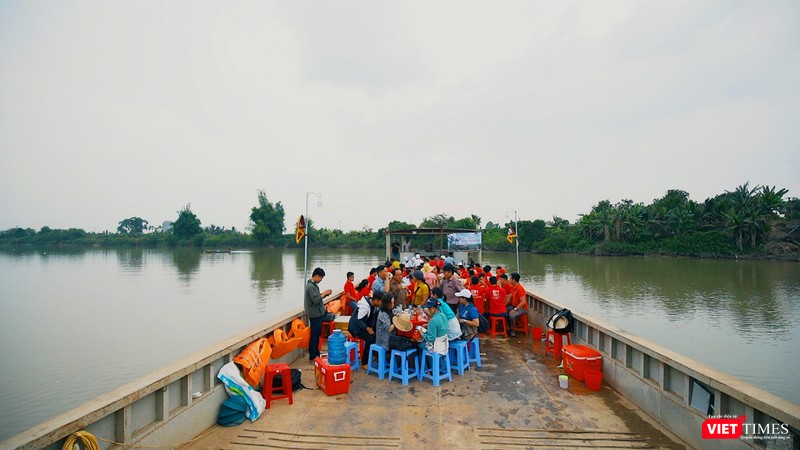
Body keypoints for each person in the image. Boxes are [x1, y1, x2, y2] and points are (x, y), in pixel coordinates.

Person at [304, 267, 333, 361]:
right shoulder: (310, 287)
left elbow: (317, 297)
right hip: (314, 315)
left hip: (318, 314)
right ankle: (312, 355)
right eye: (320, 278)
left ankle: (316, 352)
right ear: (316, 276)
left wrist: (324, 294)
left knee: (317, 334)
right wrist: (324, 293)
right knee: (314, 335)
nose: (321, 280)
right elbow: (316, 300)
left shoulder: (314, 286)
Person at [348, 293, 382, 367]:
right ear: (376, 300)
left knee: (375, 335)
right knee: (369, 339)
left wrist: (371, 326)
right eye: (380, 302)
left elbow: (372, 317)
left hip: (363, 325)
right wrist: (367, 329)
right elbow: (358, 320)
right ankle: (364, 362)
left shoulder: (373, 306)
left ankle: (371, 354)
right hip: (355, 327)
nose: (381, 304)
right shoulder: (364, 308)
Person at [506, 273, 528, 337]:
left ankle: (512, 330)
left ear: (514, 280)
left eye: (510, 279)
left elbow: (523, 302)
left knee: (512, 315)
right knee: (505, 311)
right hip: (514, 306)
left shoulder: (520, 288)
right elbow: (510, 297)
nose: (509, 280)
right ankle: (509, 327)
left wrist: (515, 309)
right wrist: (504, 306)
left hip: (522, 308)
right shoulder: (513, 287)